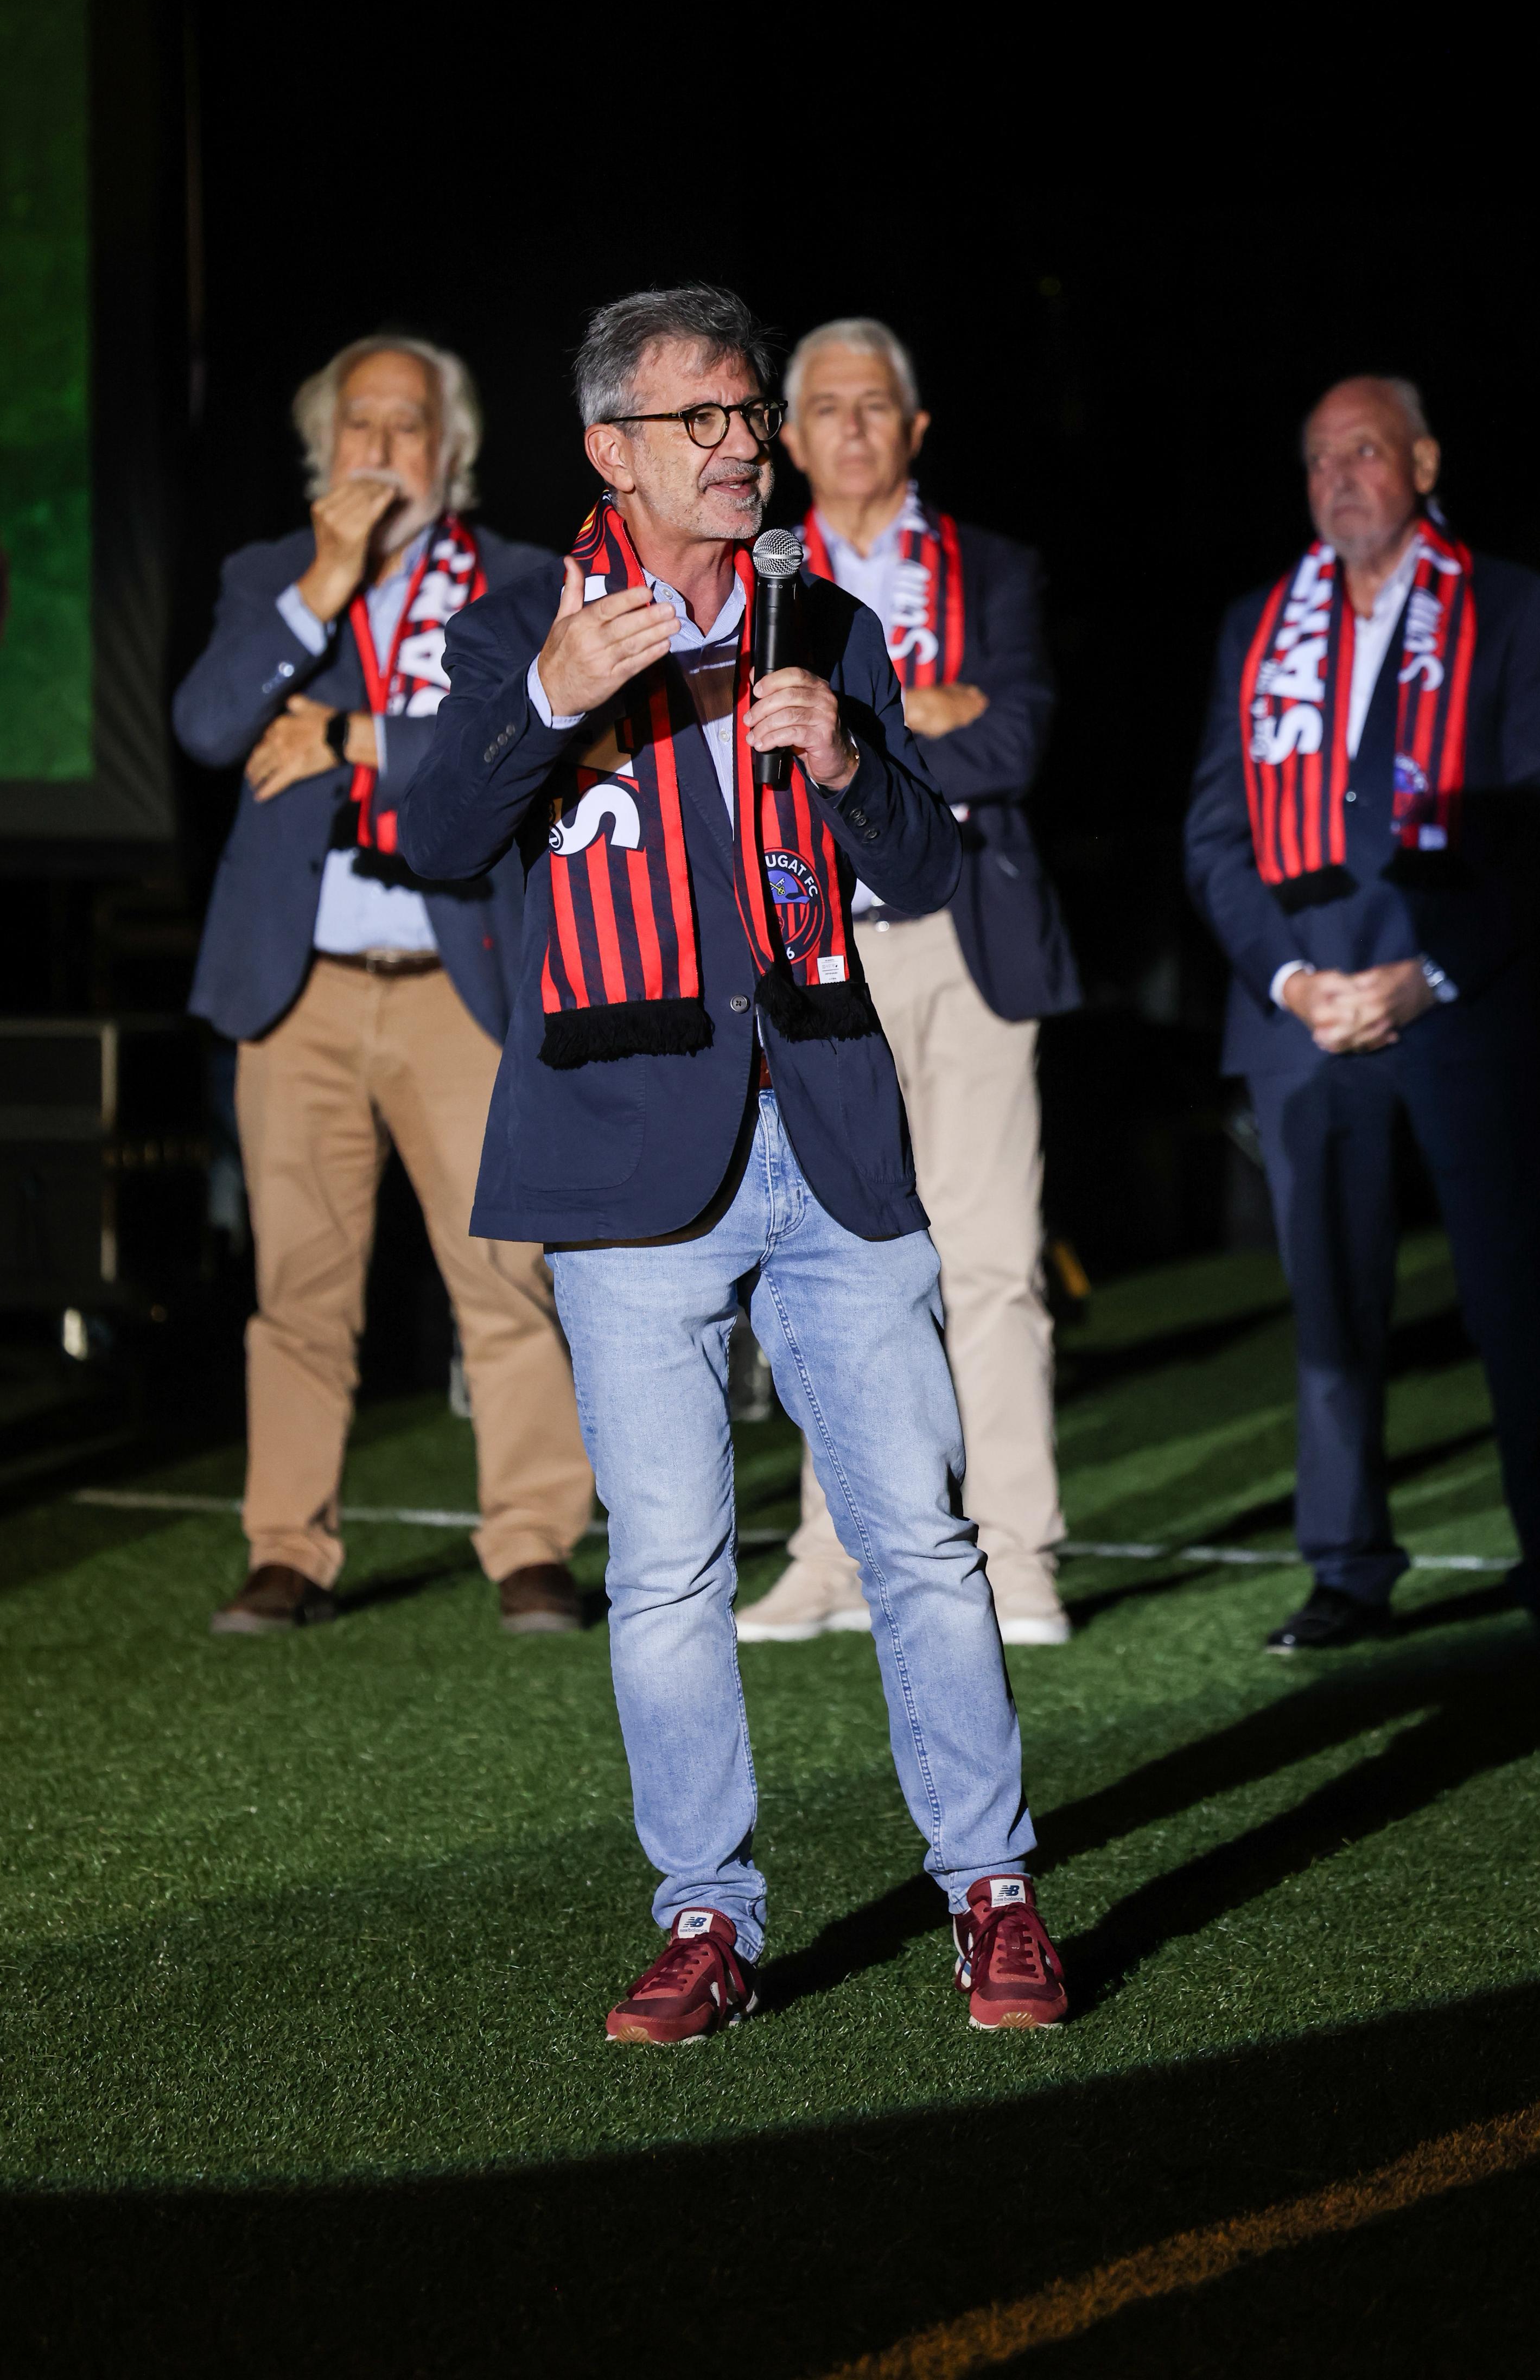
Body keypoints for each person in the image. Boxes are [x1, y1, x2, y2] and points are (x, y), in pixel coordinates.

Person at [402, 284, 1067, 2039]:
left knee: (924, 1539)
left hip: (830, 1127)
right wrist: (552, 691)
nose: (739, 445)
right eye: (699, 418)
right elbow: (430, 829)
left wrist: (852, 761)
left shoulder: (818, 619)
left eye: (746, 414)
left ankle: (990, 1892)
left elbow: (919, 868)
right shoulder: (512, 625)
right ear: (609, 449)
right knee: (673, 1563)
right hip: (626, 1154)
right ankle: (708, 1920)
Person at [173, 334, 594, 1639]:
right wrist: (324, 582)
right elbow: (205, 726)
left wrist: (354, 737)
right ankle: (287, 1549)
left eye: (409, 426)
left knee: (508, 1275)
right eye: (361, 425)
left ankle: (532, 1544)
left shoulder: (521, 583)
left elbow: (528, 731)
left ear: (453, 455)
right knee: (298, 1288)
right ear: (325, 449)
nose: (382, 448)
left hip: (454, 975)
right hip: (295, 986)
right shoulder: (270, 579)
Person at [1184, 373, 1540, 1653]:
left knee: (1513, 1290)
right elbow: (1214, 832)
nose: (1339, 478)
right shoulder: (1262, 624)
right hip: (1304, 1015)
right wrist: (1290, 980)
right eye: (1317, 460)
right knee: (1333, 1306)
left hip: (1457, 1000)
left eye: (1363, 450)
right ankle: (1348, 1568)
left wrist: (1428, 974)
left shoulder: (1513, 607)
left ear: (1423, 460)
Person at [734, 317, 1081, 1649]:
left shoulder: (989, 564)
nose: (853, 424)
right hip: (813, 945)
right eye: (824, 405)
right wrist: (921, 713)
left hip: (965, 941)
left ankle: (1017, 1559)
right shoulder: (759, 577)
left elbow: (1018, 737)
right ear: (790, 434)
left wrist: (874, 731)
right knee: (837, 1266)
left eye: (878, 404)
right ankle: (832, 1558)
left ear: (915, 427)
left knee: (989, 1263)